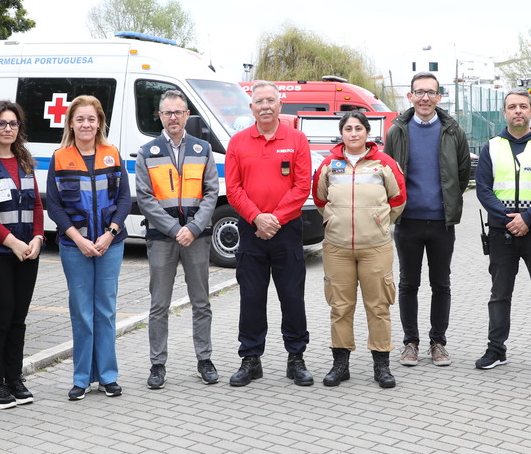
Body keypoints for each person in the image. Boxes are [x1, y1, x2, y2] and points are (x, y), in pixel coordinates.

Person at [225, 80, 314, 387]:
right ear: (251, 108)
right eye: (259, 101)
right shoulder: (237, 143)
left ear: (280, 105)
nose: (265, 105)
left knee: (292, 297)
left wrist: (274, 219)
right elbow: (233, 188)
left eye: (270, 100)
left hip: (286, 230)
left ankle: (296, 358)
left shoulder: (297, 139)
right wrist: (256, 218)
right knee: (251, 297)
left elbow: (303, 186)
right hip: (251, 232)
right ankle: (250, 360)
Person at [46, 95, 132, 401]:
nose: (86, 124)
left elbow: (124, 199)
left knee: (105, 311)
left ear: (99, 123)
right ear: (71, 122)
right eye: (80, 119)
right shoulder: (59, 157)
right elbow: (53, 206)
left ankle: (108, 377)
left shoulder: (113, 154)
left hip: (111, 244)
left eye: (91, 119)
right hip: (74, 246)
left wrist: (110, 233)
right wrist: (78, 238)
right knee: (81, 312)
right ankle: (81, 378)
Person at [384, 71, 472, 368]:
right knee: (408, 283)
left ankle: (438, 342)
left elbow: (461, 175)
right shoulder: (397, 131)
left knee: (441, 284)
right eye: (419, 92)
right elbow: (388, 174)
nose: (424, 97)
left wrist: (445, 202)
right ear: (409, 97)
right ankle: (410, 342)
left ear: (439, 96)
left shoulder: (453, 130)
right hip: (407, 221)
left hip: (441, 223)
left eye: (430, 92)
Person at [312, 112, 407, 389]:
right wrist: (332, 219)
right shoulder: (329, 164)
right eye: (348, 129)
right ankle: (340, 365)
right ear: (341, 133)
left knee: (378, 307)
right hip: (337, 248)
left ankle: (382, 365)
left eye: (358, 129)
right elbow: (319, 197)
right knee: (340, 307)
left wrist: (380, 222)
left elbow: (399, 197)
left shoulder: (384, 164)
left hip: (375, 247)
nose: (353, 133)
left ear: (367, 133)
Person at [474, 88, 531, 377]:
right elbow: (483, 188)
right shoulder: (491, 146)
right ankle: (496, 350)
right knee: (499, 294)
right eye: (512, 106)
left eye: (523, 106)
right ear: (504, 112)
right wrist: (507, 219)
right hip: (502, 234)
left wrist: (528, 218)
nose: (518, 111)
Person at [135, 90, 219, 389]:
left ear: (187, 115)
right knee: (159, 305)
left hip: (196, 237)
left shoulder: (203, 149)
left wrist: (193, 228)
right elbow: (145, 198)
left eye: (178, 112)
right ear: (160, 116)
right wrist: (174, 228)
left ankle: (204, 360)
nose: (173, 117)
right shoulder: (147, 151)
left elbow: (211, 193)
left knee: (201, 302)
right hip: (162, 237)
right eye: (167, 112)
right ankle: (157, 365)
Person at [0, 101, 44, 410]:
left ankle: (14, 379)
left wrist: (39, 237)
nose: (8, 129)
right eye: (1, 123)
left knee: (18, 320)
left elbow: (37, 205)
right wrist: (12, 241)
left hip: (28, 253)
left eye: (13, 124)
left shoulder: (25, 160)